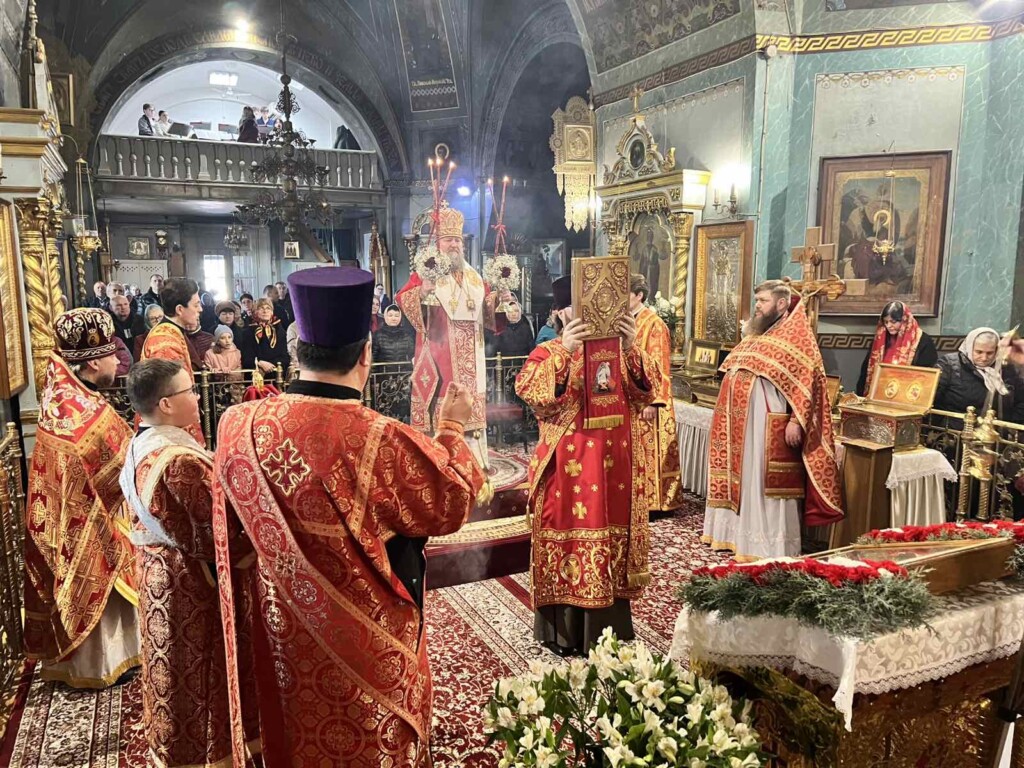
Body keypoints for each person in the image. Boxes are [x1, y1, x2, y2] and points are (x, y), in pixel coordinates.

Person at [212, 267, 485, 765]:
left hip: (275, 626)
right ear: (365, 355)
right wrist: (451, 427)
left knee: (293, 729)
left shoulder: (236, 423)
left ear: (297, 350)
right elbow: (452, 501)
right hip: (363, 634)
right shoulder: (378, 437)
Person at [515, 275, 659, 656]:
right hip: (568, 470)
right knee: (569, 531)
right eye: (574, 308)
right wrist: (565, 351)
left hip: (615, 471)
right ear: (561, 312)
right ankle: (564, 630)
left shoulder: (619, 351)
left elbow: (648, 392)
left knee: (611, 536)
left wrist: (631, 347)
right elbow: (530, 391)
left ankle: (611, 626)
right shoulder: (548, 351)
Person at [119, 360, 244, 767]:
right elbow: (218, 535)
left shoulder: (142, 442)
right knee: (197, 670)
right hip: (189, 583)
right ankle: (208, 755)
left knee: (170, 669)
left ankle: (172, 747)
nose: (197, 396)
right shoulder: (179, 462)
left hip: (157, 574)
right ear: (166, 404)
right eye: (189, 390)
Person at [24, 308, 141, 688]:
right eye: (112, 355)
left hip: (82, 512)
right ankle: (99, 664)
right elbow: (122, 463)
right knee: (101, 573)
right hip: (88, 516)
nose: (118, 362)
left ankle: (110, 658)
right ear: (92, 362)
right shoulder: (82, 410)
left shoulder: (63, 395)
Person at [703, 280, 843, 561]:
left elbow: (808, 383)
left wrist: (796, 421)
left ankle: (767, 544)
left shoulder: (797, 338)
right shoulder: (756, 333)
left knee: (764, 482)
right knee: (744, 479)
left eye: (763, 301)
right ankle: (735, 536)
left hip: (767, 425)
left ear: (781, 303)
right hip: (739, 425)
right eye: (757, 300)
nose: (757, 306)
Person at [396, 205, 510, 471]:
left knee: (472, 410)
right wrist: (422, 291)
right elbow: (403, 299)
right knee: (444, 407)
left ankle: (476, 463)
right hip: (441, 355)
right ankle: (440, 464)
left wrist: (499, 300)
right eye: (448, 239)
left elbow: (487, 314)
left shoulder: (474, 277)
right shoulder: (427, 272)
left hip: (473, 354)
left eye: (458, 240)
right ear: (438, 243)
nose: (454, 245)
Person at [630, 274, 683, 513]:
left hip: (649, 401)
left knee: (650, 449)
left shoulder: (654, 324)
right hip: (632, 400)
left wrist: (653, 401)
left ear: (639, 295)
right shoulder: (627, 321)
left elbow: (659, 365)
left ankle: (655, 502)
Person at [140, 277, 206, 446]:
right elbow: (172, 396)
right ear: (179, 309)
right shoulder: (165, 341)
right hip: (168, 433)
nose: (200, 309)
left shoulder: (170, 332)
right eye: (196, 305)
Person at [935, 328, 1024, 423]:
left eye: (990, 353)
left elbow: (1021, 400)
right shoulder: (948, 365)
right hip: (957, 429)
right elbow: (933, 399)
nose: (984, 358)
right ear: (969, 348)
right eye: (979, 352)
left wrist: (1010, 425)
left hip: (996, 429)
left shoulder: (1006, 368)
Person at [856, 301, 937, 395]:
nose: (889, 326)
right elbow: (866, 370)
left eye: (893, 322)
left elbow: (927, 376)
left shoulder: (922, 341)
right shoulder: (880, 339)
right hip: (879, 393)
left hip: (907, 394)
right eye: (886, 322)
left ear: (904, 320)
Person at [242, 297, 290, 377]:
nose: (265, 311)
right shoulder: (248, 332)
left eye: (268, 308)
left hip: (276, 374)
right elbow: (246, 358)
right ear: (255, 312)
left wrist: (269, 365)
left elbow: (284, 357)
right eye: (261, 308)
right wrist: (259, 363)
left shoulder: (280, 330)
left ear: (272, 312)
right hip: (256, 376)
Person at [108, 295, 147, 359]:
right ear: (111, 308)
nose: (123, 307)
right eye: (119, 305)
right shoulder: (108, 323)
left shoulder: (139, 320)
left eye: (125, 304)